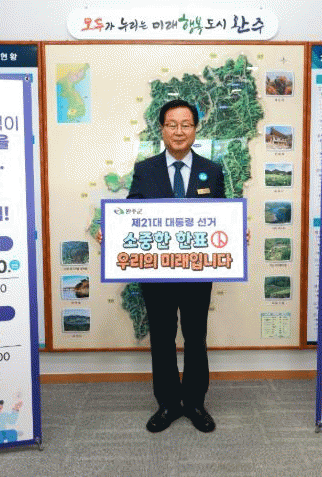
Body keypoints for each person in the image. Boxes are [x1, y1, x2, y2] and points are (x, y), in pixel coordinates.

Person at [128, 99, 225, 433]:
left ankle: (195, 403)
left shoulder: (212, 170)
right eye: (172, 124)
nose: (179, 131)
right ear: (162, 129)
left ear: (195, 129)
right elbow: (130, 214)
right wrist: (112, 232)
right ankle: (168, 403)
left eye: (186, 124)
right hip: (157, 274)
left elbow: (222, 216)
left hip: (198, 272)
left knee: (196, 337)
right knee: (162, 337)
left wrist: (234, 231)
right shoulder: (145, 170)